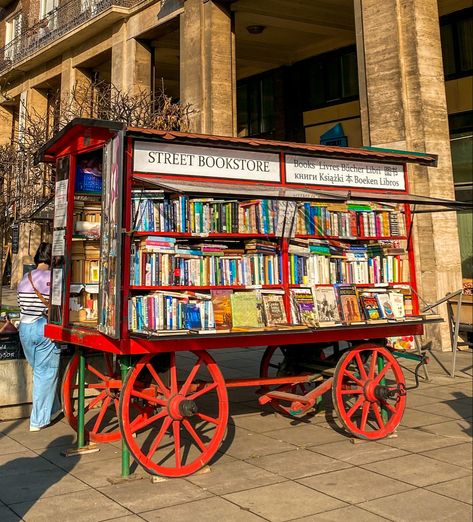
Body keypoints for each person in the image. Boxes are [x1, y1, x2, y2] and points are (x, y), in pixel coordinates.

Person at [17, 242, 61, 431]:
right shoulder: (53, 278)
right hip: (43, 327)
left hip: (25, 328)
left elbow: (21, 306)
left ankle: (54, 407)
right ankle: (39, 419)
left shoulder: (24, 279)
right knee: (46, 373)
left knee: (39, 371)